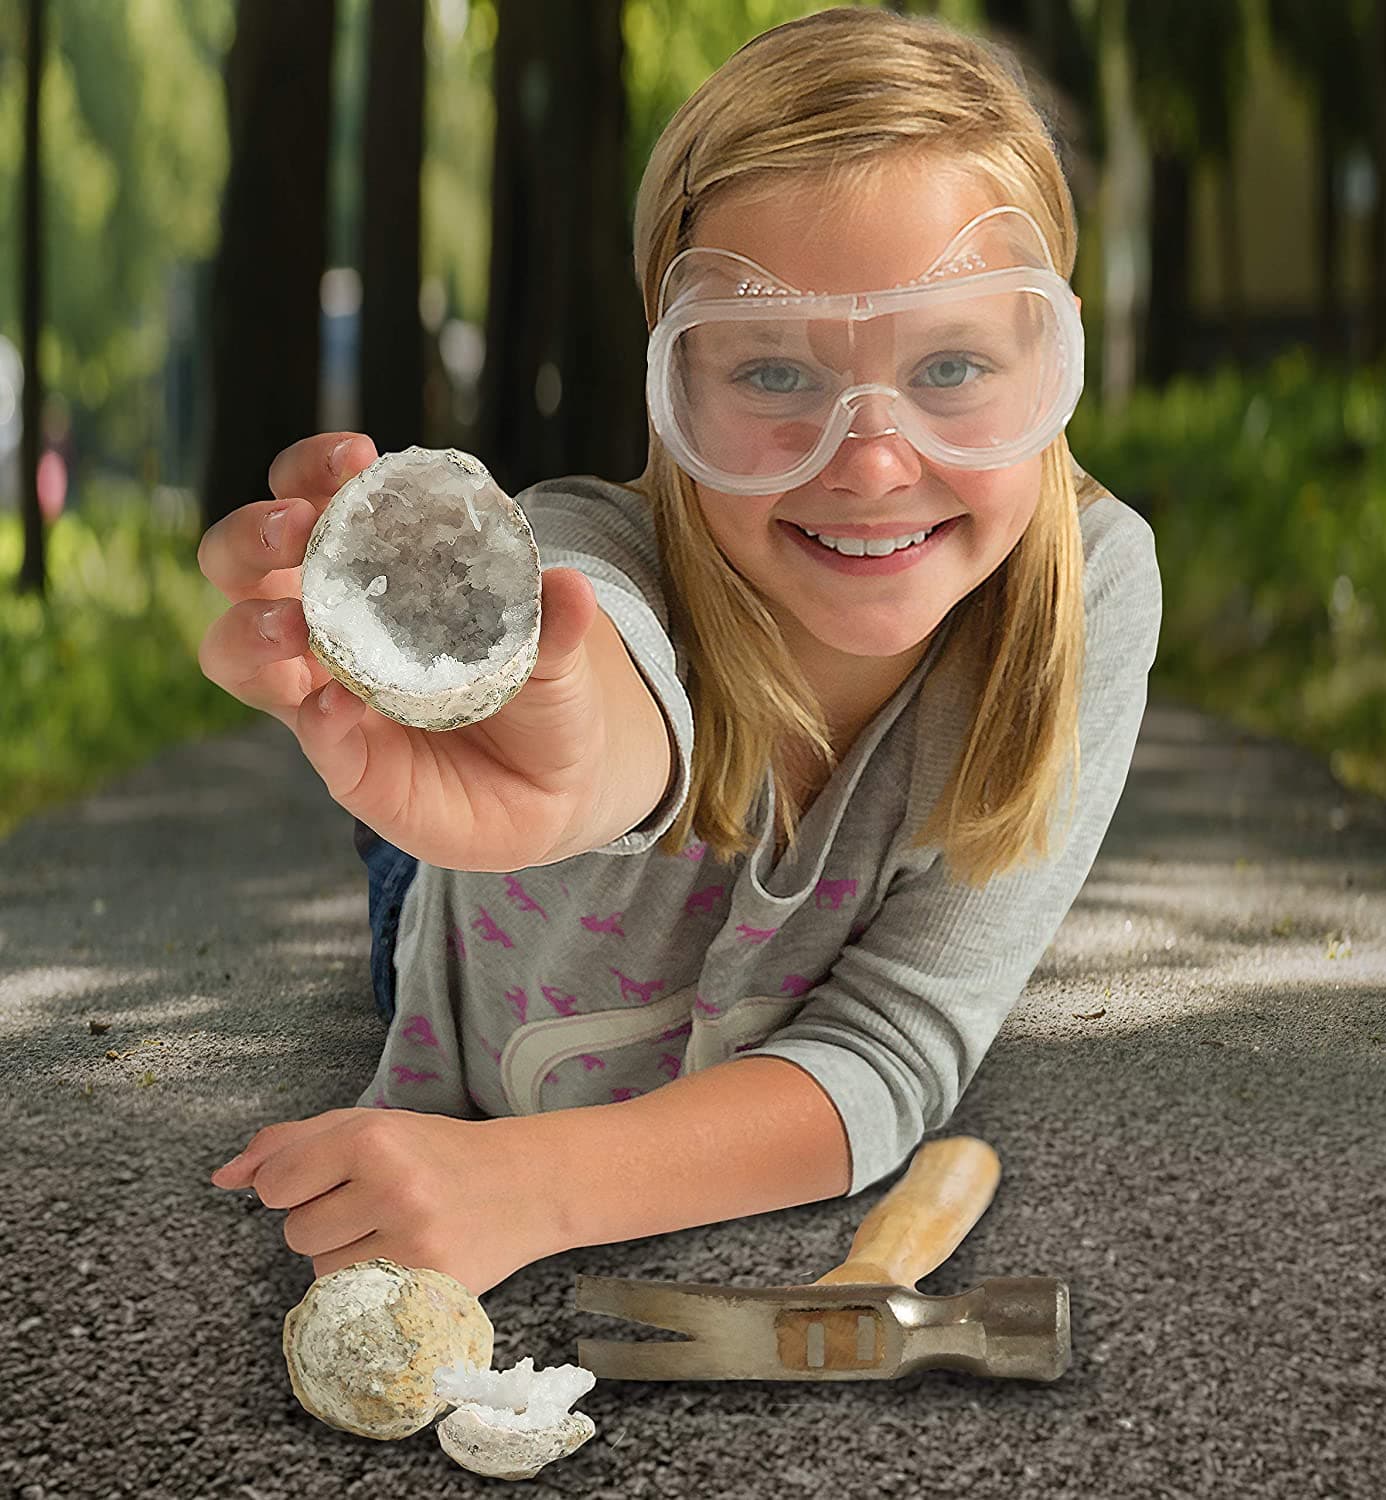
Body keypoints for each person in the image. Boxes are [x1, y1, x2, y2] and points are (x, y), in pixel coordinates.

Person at [200, 7, 1161, 1299]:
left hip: (700, 975)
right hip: (491, 922)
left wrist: (523, 1187)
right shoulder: (591, 562)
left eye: (951, 363)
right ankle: (405, 847)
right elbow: (603, 689)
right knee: (416, 864)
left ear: (1053, 357)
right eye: (773, 376)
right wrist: (558, 742)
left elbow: (891, 1046)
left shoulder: (1091, 588)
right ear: (675, 391)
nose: (873, 462)